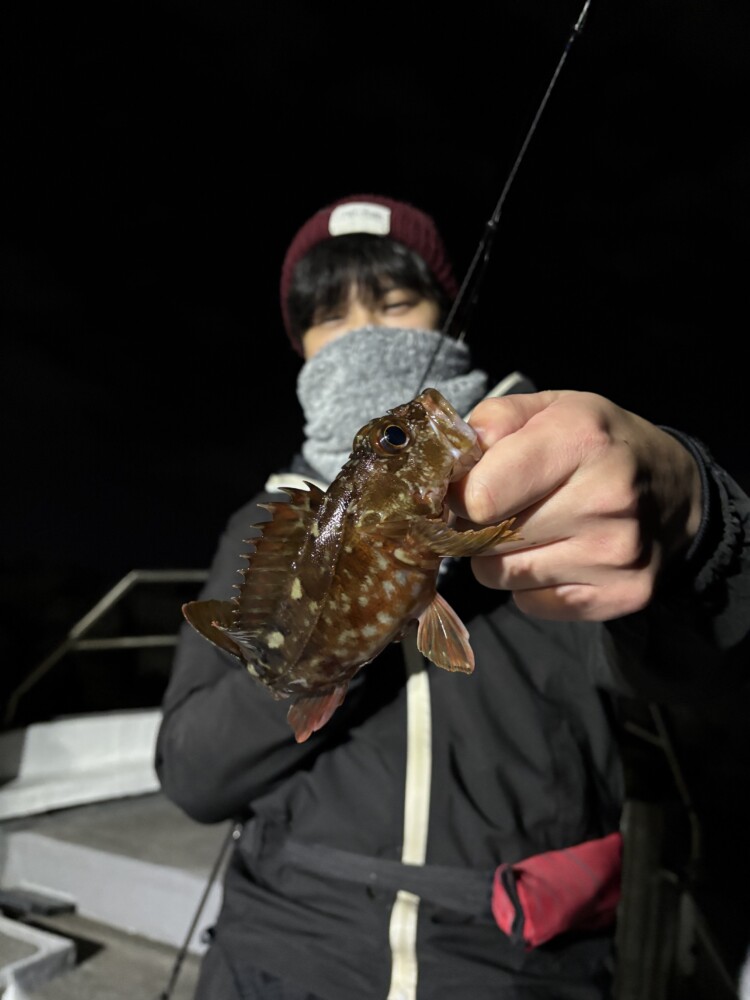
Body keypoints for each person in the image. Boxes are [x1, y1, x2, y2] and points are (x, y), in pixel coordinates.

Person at [155, 193, 750, 1000]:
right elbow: (191, 776)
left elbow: (715, 693)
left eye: (398, 302)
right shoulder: (263, 523)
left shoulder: (577, 486)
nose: (366, 336)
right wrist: (338, 634)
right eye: (331, 316)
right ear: (301, 346)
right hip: (280, 955)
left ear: (451, 313)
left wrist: (697, 520)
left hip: (518, 965)